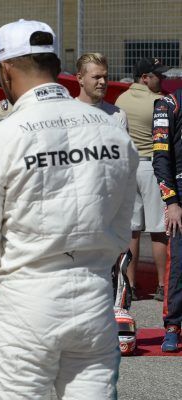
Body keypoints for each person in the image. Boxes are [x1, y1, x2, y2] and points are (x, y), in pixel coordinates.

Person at [0, 19, 137, 398]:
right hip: (94, 296)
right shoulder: (112, 131)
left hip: (25, 297)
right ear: (55, 65)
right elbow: (123, 223)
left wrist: (6, 288)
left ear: (6, 69)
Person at [115, 57, 169, 301]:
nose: (163, 79)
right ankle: (162, 286)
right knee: (158, 230)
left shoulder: (121, 100)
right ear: (145, 78)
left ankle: (130, 286)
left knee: (132, 231)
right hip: (152, 166)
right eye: (159, 75)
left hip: (128, 168)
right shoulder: (159, 101)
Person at [151, 81, 182, 352]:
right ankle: (172, 325)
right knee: (179, 262)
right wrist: (171, 201)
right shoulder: (168, 104)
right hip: (179, 195)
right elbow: (160, 158)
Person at [75, 53, 128, 129]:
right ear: (80, 78)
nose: (103, 82)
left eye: (105, 77)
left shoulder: (118, 115)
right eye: (97, 77)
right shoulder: (65, 114)